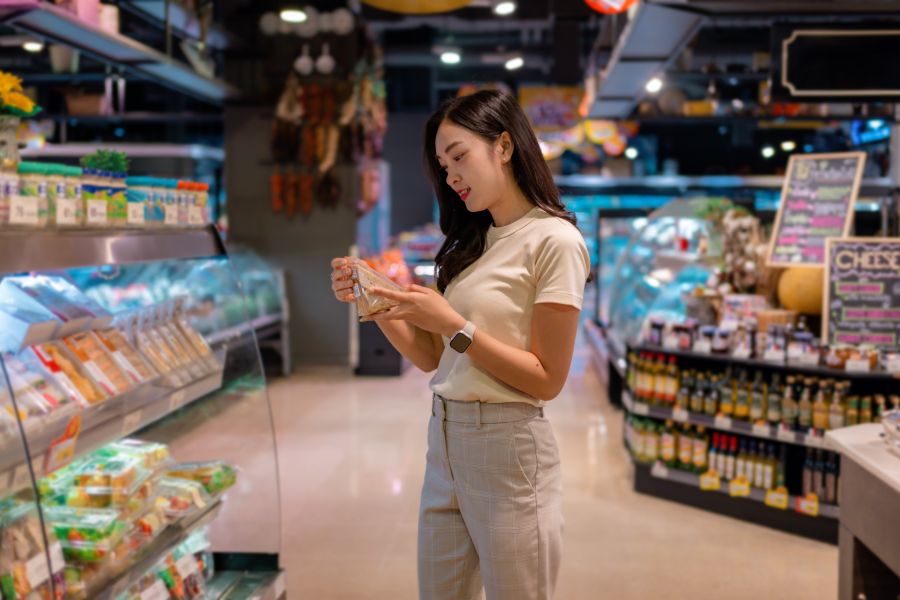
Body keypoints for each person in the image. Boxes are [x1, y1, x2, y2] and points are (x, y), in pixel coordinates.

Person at [330, 89, 589, 600]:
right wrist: (375, 300)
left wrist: (454, 324)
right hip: (444, 443)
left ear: (506, 146)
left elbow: (548, 379)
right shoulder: (474, 242)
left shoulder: (554, 241)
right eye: (442, 166)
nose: (451, 177)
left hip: (508, 449)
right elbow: (433, 358)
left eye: (459, 157)